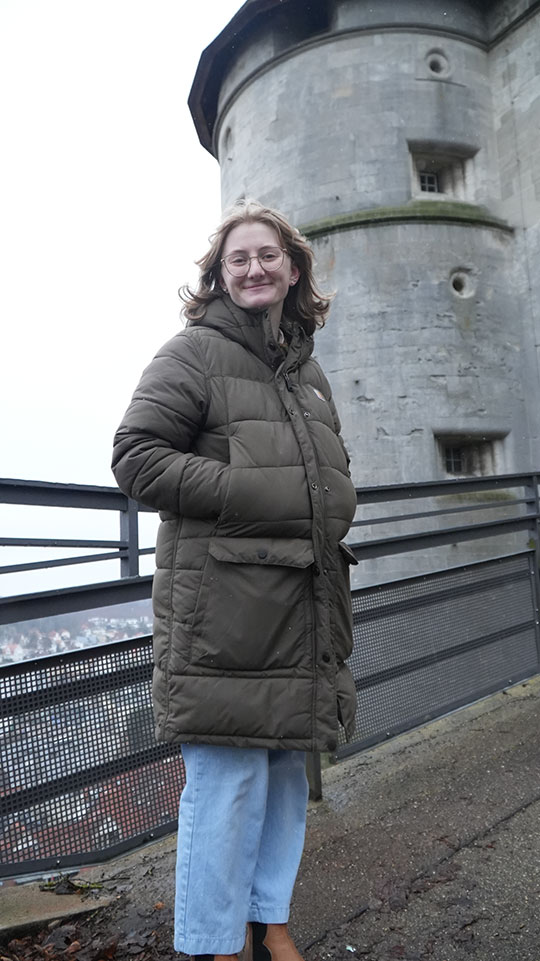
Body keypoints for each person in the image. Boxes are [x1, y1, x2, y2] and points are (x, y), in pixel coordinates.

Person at [111, 200, 358, 961]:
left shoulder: (307, 370)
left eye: (268, 255)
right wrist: (256, 492)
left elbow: (324, 477)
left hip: (301, 603)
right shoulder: (193, 354)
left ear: (294, 269)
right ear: (218, 276)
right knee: (224, 786)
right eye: (237, 259)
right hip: (222, 613)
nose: (254, 268)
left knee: (286, 773)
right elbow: (136, 456)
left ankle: (269, 918)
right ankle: (216, 944)